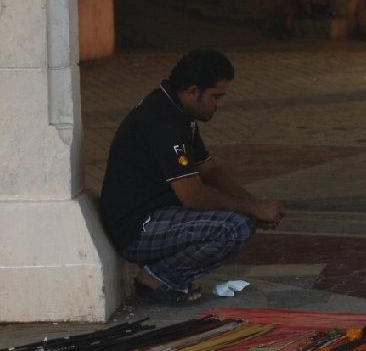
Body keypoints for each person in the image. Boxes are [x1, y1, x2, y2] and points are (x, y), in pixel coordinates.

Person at [99, 50, 286, 306]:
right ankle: (155, 278)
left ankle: (160, 272)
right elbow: (192, 195)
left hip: (160, 216)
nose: (220, 104)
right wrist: (252, 208)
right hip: (136, 230)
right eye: (216, 96)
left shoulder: (178, 112)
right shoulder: (164, 120)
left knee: (242, 217)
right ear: (193, 91)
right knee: (233, 227)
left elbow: (208, 170)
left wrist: (255, 206)